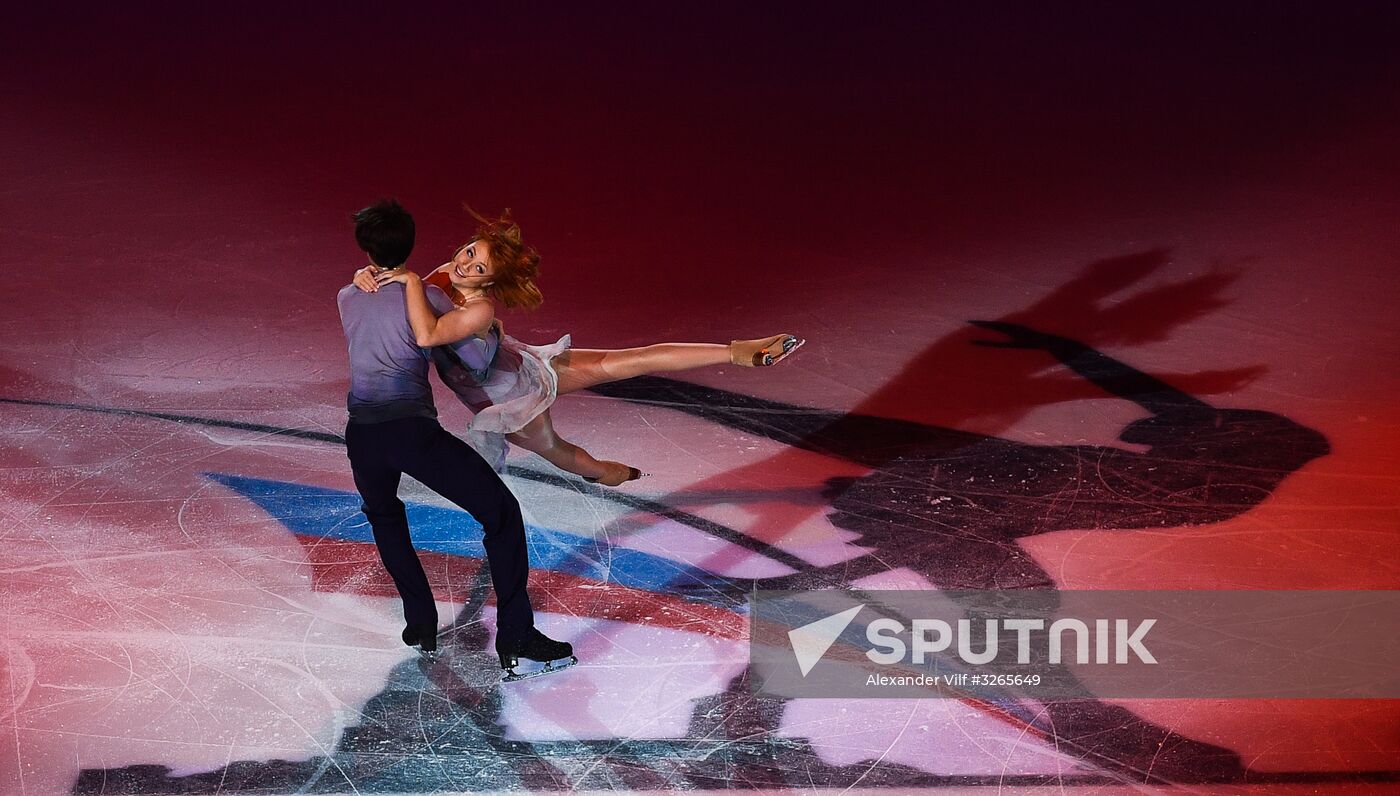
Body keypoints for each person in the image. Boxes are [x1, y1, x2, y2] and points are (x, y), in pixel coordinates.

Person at [353, 208, 803, 485]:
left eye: (478, 263)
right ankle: (611, 474)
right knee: (591, 406)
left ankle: (737, 351)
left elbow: (426, 334)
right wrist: (366, 274)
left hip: (509, 396)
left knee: (620, 371)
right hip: (519, 365)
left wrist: (409, 278)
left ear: (491, 280)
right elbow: (398, 290)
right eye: (470, 251)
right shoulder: (445, 273)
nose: (465, 261)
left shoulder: (479, 311)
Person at [337, 198, 574, 680]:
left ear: (364, 248)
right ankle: (516, 636)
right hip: (411, 433)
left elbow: (379, 309)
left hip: (361, 435)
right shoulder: (431, 299)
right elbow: (474, 360)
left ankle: (420, 625)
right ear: (412, 244)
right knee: (501, 514)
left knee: (385, 516)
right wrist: (490, 328)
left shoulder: (346, 295)